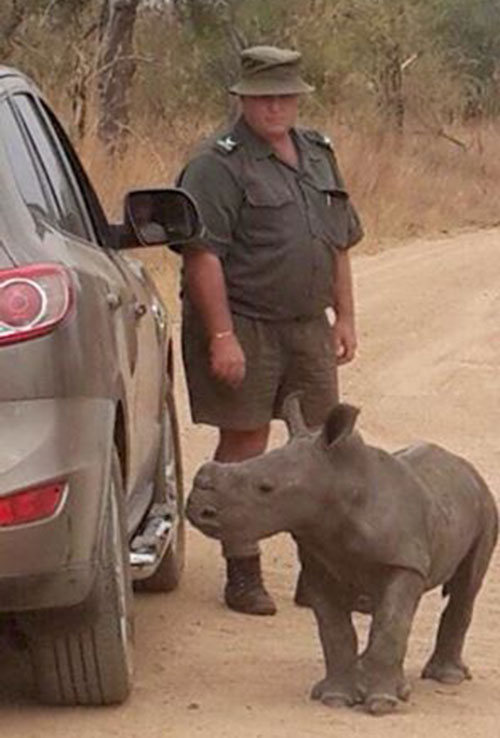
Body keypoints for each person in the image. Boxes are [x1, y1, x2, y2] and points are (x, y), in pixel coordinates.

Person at [173, 45, 363, 616]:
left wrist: (346, 315)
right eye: (264, 97)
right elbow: (201, 256)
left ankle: (323, 573)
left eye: (285, 95)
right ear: (243, 99)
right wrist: (222, 337)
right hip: (246, 324)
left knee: (323, 445)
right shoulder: (217, 163)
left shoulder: (317, 153)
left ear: (298, 98)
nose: (276, 106)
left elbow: (337, 241)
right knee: (245, 442)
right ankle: (243, 570)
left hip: (307, 326)